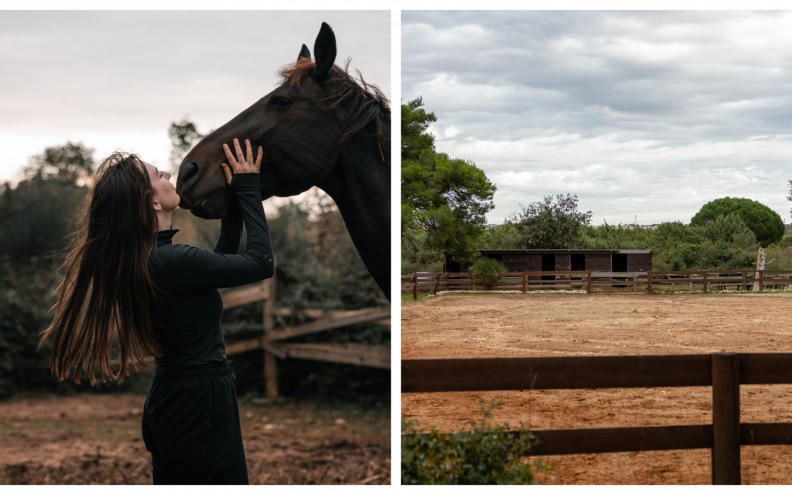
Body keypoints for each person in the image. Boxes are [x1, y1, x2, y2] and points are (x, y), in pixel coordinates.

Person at [39, 138, 273, 484]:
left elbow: (221, 266)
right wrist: (250, 188)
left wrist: (233, 200)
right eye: (155, 174)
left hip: (175, 400)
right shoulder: (172, 261)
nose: (166, 172)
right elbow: (260, 263)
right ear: (152, 202)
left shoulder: (151, 260)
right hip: (199, 404)